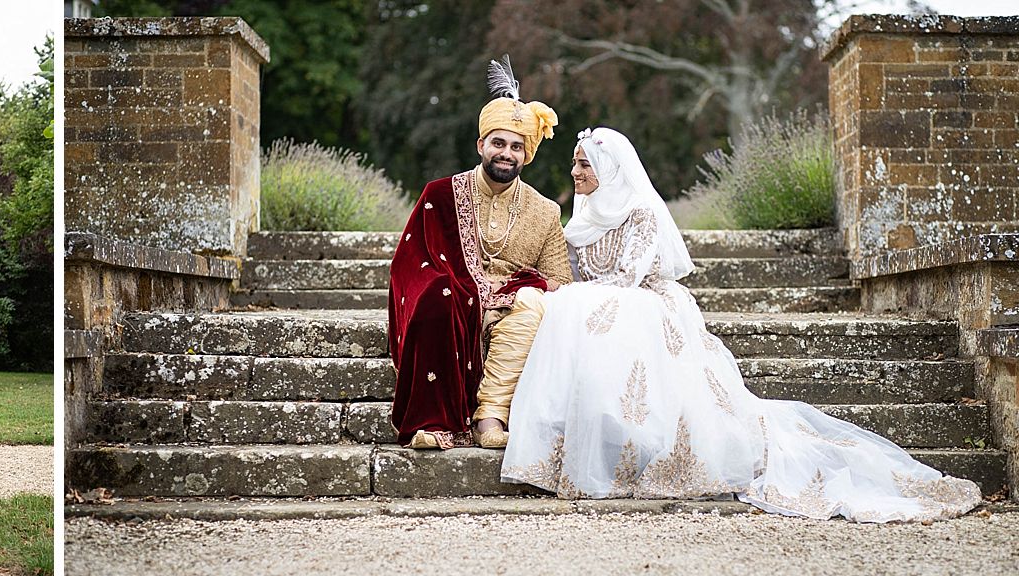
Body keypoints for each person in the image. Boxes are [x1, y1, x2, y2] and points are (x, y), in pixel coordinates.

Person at [501, 126, 980, 522]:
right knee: (567, 311)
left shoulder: (640, 213)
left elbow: (627, 277)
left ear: (609, 171)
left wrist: (573, 297)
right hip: (602, 302)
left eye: (585, 164)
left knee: (586, 314)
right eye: (576, 163)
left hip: (641, 302)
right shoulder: (582, 215)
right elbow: (573, 272)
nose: (576, 172)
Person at [389, 56, 572, 450]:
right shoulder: (440, 194)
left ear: (527, 155)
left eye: (516, 147)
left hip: (510, 307)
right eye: (499, 143)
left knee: (532, 302)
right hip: (455, 296)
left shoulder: (545, 211)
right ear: (481, 145)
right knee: (440, 294)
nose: (506, 153)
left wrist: (507, 292)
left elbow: (561, 279)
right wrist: (469, 289)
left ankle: (490, 416)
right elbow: (413, 261)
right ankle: (433, 423)